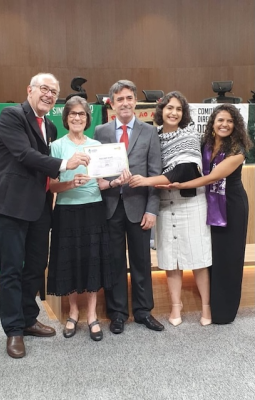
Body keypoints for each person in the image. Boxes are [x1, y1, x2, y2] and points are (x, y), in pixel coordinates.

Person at [0, 73, 90, 358]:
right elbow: (23, 155)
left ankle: (28, 318)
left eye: (54, 92)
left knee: (35, 267)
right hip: (12, 206)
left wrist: (67, 181)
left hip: (40, 206)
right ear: (30, 90)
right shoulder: (11, 116)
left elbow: (41, 169)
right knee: (11, 270)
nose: (49, 95)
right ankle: (13, 331)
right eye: (44, 89)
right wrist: (64, 163)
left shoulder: (50, 127)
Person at [129, 91, 212, 326]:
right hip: (165, 203)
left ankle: (206, 306)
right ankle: (176, 305)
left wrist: (146, 181)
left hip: (191, 203)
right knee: (170, 259)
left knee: (198, 257)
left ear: (183, 113)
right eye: (169, 108)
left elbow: (185, 171)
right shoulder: (152, 136)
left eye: (178, 109)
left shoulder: (189, 135)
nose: (173, 112)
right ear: (161, 110)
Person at [165, 104, 253, 324]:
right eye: (220, 120)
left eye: (230, 121)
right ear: (212, 123)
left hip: (231, 206)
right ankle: (210, 306)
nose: (225, 125)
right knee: (210, 256)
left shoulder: (238, 149)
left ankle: (224, 312)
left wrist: (179, 185)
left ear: (236, 125)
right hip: (207, 204)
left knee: (228, 258)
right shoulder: (205, 144)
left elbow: (211, 177)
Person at [94, 79, 164, 334]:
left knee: (141, 261)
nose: (124, 103)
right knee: (114, 261)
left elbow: (155, 174)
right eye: (119, 99)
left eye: (129, 98)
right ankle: (117, 313)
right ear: (111, 103)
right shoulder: (101, 132)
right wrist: (108, 182)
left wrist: (152, 209)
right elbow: (97, 173)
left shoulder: (150, 132)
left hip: (139, 206)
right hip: (110, 206)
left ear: (135, 101)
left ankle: (144, 311)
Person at [47, 96, 115, 341]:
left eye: (82, 114)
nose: (77, 118)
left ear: (88, 119)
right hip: (66, 211)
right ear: (66, 118)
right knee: (69, 261)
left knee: (92, 260)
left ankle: (92, 315)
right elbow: (52, 187)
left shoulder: (96, 145)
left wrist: (116, 181)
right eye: (73, 114)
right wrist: (69, 184)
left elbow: (101, 183)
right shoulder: (56, 147)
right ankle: (73, 312)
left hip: (94, 209)